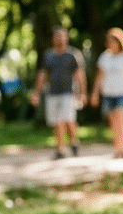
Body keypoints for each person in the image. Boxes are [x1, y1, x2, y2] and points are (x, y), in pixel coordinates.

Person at [30, 26, 87, 159]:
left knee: (68, 120)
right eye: (57, 36)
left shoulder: (73, 54)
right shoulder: (48, 55)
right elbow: (43, 74)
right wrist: (36, 93)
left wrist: (82, 92)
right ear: (53, 39)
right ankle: (61, 149)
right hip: (52, 93)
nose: (60, 39)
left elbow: (79, 74)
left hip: (69, 93)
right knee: (57, 121)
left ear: (66, 37)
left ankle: (72, 142)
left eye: (62, 36)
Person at [90, 28, 123, 158]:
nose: (111, 44)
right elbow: (99, 77)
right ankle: (117, 148)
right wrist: (95, 94)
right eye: (108, 41)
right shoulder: (104, 57)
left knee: (121, 120)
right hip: (108, 93)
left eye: (113, 41)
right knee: (113, 122)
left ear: (119, 42)